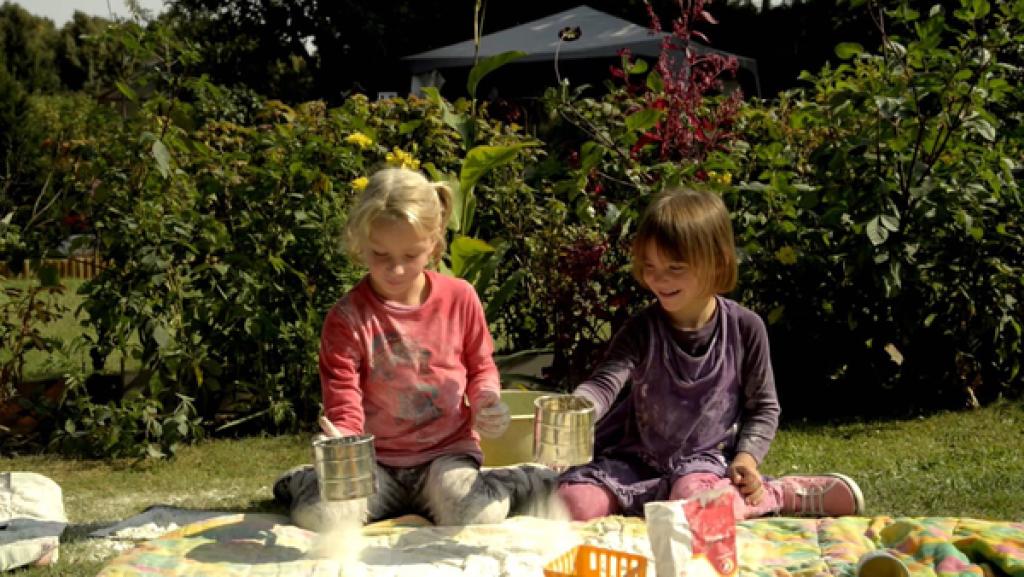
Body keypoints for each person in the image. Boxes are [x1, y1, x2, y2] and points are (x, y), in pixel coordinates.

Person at [557, 187, 865, 521]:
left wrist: (746, 459)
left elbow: (763, 407)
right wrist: (576, 409)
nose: (658, 279)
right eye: (649, 265)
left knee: (696, 505)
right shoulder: (642, 329)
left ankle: (777, 494)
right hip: (635, 460)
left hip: (704, 463)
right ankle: (693, 501)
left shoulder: (745, 327)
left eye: (675, 267)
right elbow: (605, 383)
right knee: (574, 503)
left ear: (717, 263)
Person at [274, 167, 553, 530]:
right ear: (360, 244)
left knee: (479, 516)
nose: (396, 270)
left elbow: (481, 366)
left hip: (446, 457)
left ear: (434, 245)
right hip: (374, 462)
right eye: (380, 255)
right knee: (321, 519)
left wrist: (486, 399)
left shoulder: (460, 298)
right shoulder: (347, 317)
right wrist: (343, 439)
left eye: (410, 255)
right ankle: (305, 481)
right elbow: (343, 397)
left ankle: (516, 481)